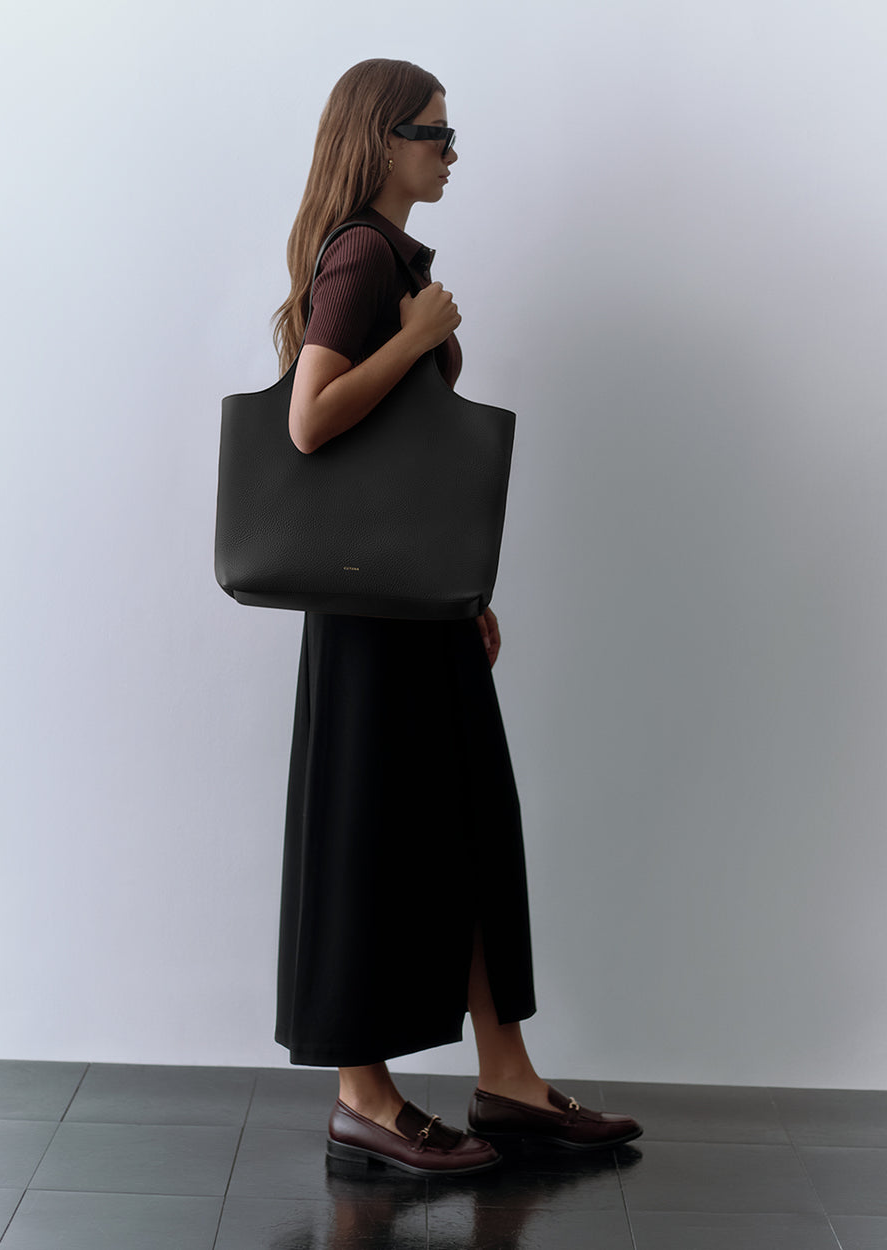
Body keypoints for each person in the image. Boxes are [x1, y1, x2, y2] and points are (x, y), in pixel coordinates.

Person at [271, 58, 641, 1176]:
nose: (450, 145)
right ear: (378, 140)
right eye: (431, 129)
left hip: (411, 602)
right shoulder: (361, 256)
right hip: (369, 615)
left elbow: (411, 462)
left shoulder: (389, 257)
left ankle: (508, 1076)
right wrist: (414, 330)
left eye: (447, 127)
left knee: (471, 824)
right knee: (374, 833)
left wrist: (464, 594)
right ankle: (363, 1093)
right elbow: (311, 419)